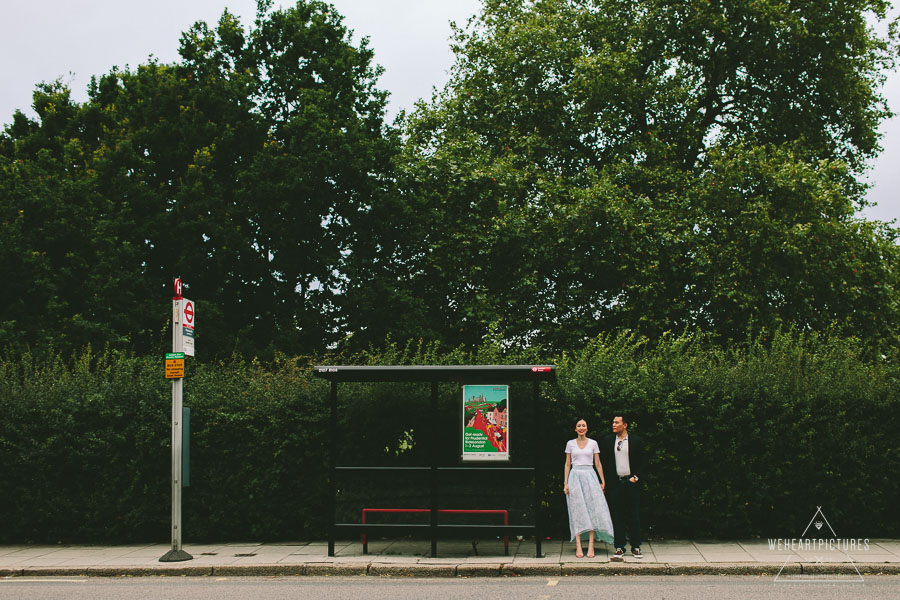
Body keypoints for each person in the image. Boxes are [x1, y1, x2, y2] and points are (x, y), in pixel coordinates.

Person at [563, 419, 615, 558]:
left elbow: (598, 463)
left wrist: (602, 481)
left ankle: (591, 544)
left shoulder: (593, 443)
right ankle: (578, 545)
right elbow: (567, 464)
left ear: (587, 428)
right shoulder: (570, 444)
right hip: (575, 476)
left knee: (593, 508)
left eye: (583, 425)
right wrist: (565, 483)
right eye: (579, 426)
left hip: (590, 476)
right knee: (577, 509)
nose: (581, 428)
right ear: (575, 429)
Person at [601, 414, 645, 560]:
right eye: (613, 422)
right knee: (617, 516)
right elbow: (605, 463)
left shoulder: (635, 441)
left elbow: (642, 462)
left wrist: (635, 478)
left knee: (633, 515)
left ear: (624, 425)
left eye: (616, 422)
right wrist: (607, 482)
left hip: (630, 482)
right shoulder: (608, 441)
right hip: (615, 483)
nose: (613, 424)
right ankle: (619, 547)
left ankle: (636, 546)